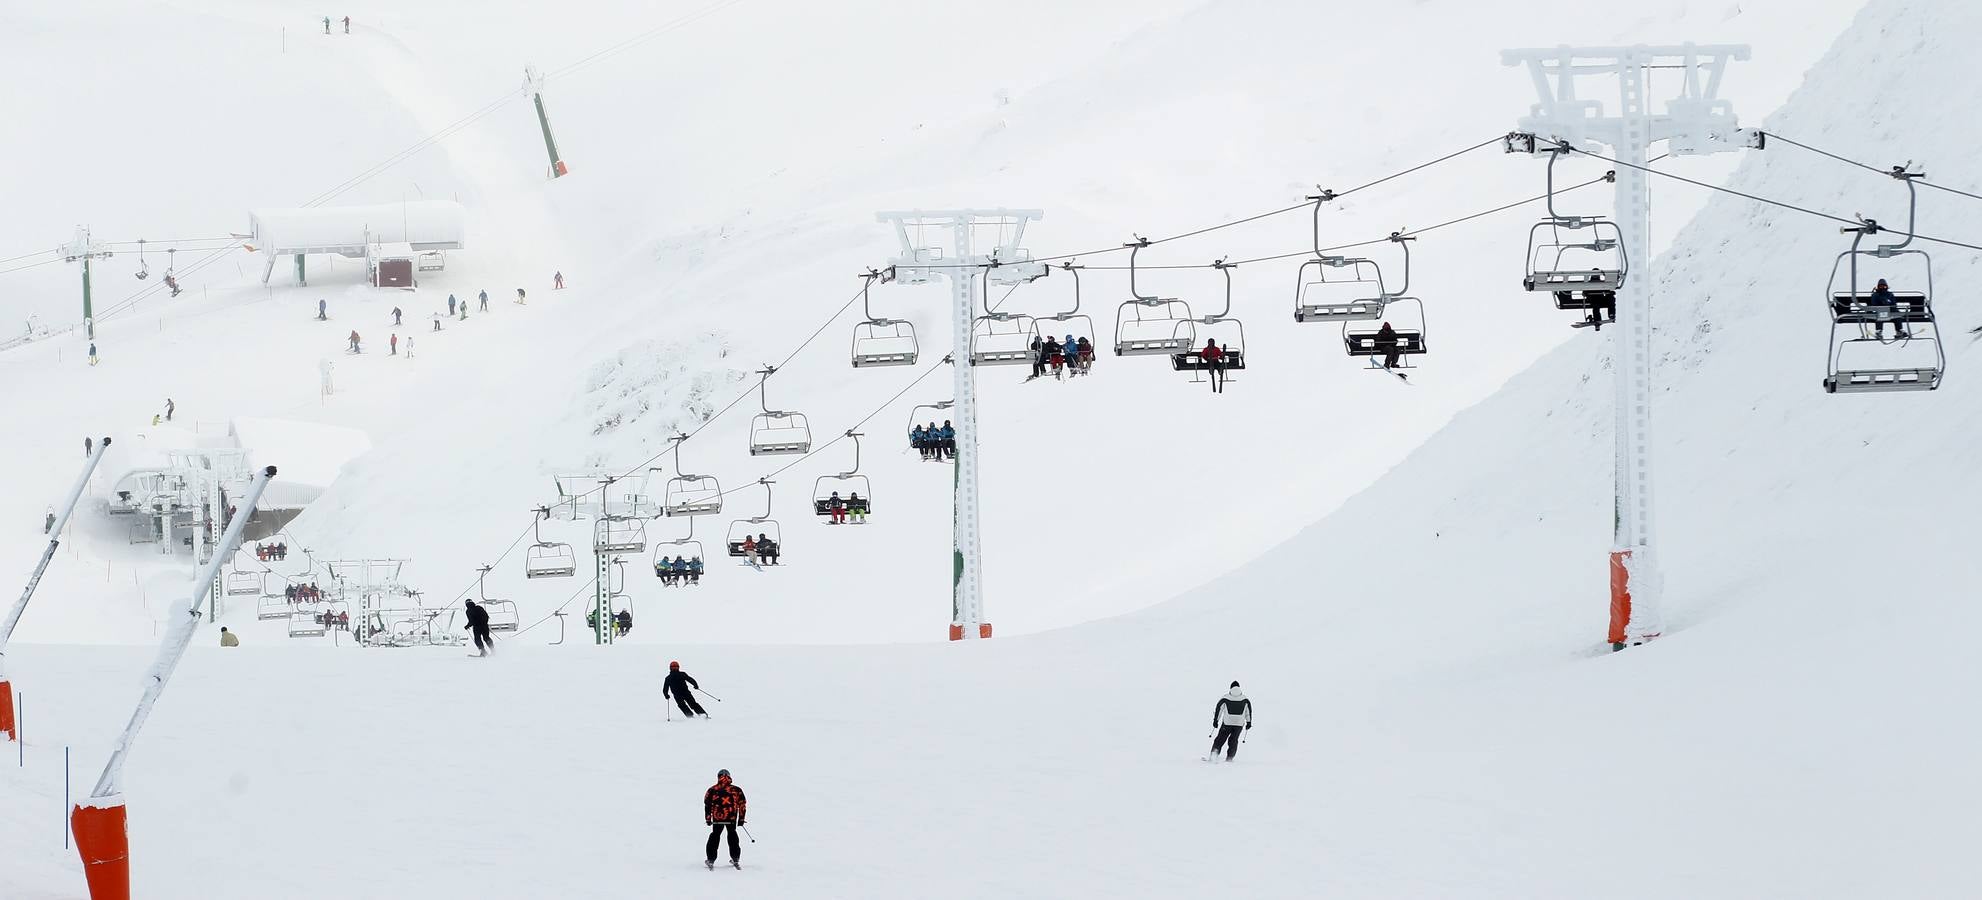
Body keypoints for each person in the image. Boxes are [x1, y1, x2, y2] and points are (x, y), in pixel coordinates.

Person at [703, 769, 747, 869]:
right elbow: (742, 804)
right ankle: (735, 858)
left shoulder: (712, 789)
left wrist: (708, 819)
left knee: (715, 836)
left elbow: (707, 805)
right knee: (732, 835)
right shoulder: (736, 790)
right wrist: (741, 819)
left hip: (718, 818)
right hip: (731, 818)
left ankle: (711, 859)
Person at [1208, 681, 1252, 762]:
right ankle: (1230, 758)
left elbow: (1219, 709)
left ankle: (1214, 756)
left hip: (1227, 723)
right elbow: (1248, 712)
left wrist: (1215, 721)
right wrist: (1249, 723)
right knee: (1233, 741)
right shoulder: (1245, 699)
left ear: (1231, 688)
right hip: (1239, 724)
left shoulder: (1225, 698)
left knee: (1220, 740)